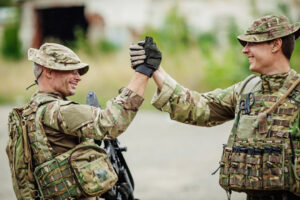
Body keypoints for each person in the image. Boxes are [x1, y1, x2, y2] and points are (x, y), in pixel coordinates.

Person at [130, 15, 300, 200]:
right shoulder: (246, 90)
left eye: (252, 43)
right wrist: (156, 69)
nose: (245, 50)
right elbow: (199, 107)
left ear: (276, 45)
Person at [7, 41, 161, 199]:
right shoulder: (59, 111)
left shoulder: (30, 113)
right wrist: (143, 71)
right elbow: (111, 123)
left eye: (78, 72)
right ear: (48, 72)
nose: (78, 78)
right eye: (71, 71)